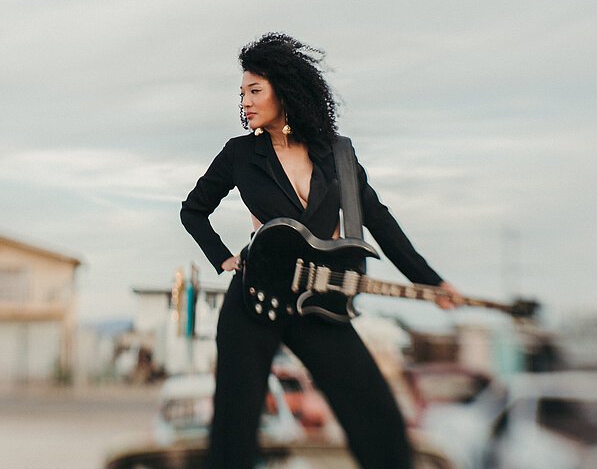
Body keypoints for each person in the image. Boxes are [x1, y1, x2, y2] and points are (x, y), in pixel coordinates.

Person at [180, 32, 463, 469]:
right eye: (242, 94)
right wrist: (224, 258)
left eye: (255, 91)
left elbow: (381, 222)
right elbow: (193, 210)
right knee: (234, 434)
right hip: (253, 300)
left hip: (319, 301)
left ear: (284, 91)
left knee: (379, 420)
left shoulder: (339, 155)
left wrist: (430, 282)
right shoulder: (240, 154)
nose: (245, 103)